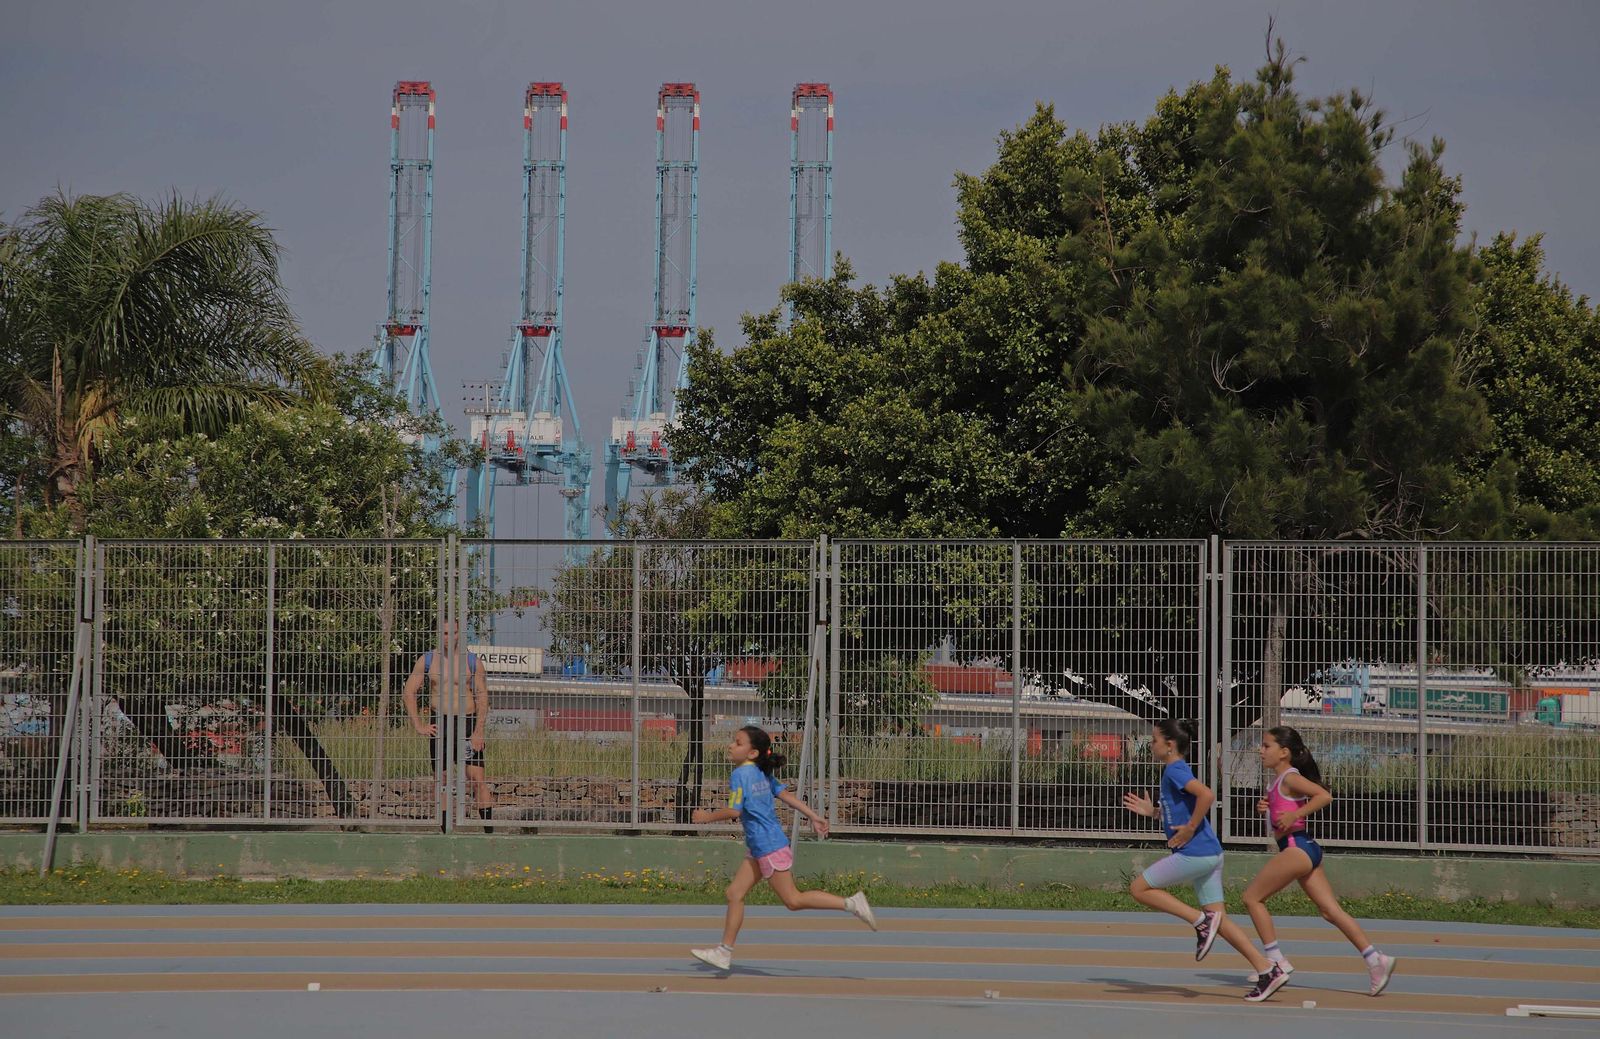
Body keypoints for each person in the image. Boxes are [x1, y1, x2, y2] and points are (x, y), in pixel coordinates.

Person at [1122, 718, 1290, 1003]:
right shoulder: (1173, 771)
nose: (1151, 745)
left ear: (1169, 745)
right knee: (1220, 921)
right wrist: (1153, 813)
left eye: (1154, 740)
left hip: (1195, 854)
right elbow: (1180, 811)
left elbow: (1207, 795)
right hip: (1210, 855)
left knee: (1139, 889)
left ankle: (1199, 922)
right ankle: (1267, 969)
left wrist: (1189, 829)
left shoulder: (1175, 769)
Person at [689, 725, 877, 971]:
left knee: (793, 900)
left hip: (768, 846)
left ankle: (852, 904)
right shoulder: (760, 771)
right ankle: (724, 952)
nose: (730, 746)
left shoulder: (740, 775)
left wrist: (705, 817)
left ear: (752, 752)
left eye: (737, 742)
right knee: (735, 893)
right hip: (761, 847)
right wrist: (814, 816)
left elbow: (734, 811)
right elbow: (786, 796)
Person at [1241, 726, 1397, 996]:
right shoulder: (1278, 782)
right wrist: (1268, 811)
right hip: (1306, 848)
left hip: (1296, 848)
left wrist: (1294, 815)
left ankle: (1275, 961)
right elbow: (1282, 818)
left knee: (1252, 899)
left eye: (1267, 746)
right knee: (1330, 911)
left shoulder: (1290, 777)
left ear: (1284, 752)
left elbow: (1324, 796)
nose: (1261, 750)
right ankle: (1375, 960)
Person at [402, 621, 493, 833]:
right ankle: (445, 832)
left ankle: (489, 832)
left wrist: (479, 730)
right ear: (438, 635)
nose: (447, 637)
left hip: (466, 724)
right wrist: (419, 725)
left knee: (477, 779)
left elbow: (482, 695)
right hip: (440, 723)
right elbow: (409, 692)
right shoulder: (428, 660)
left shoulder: (472, 661)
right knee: (442, 780)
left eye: (452, 633)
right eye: (443, 633)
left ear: (459, 634)